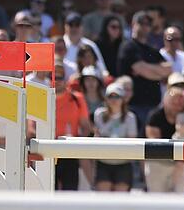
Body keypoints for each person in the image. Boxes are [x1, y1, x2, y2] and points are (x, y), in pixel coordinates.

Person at [118, 11, 172, 134]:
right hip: (133, 106)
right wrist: (157, 72)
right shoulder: (128, 47)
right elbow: (141, 69)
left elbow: (168, 69)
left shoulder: (151, 49)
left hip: (153, 105)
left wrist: (147, 70)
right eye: (141, 23)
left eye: (148, 24)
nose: (145, 26)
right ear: (133, 24)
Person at [52, 61, 91, 190]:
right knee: (48, 192)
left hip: (69, 149)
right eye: (53, 77)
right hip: (49, 150)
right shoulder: (43, 98)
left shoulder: (77, 98)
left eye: (60, 77)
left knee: (71, 191)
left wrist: (79, 141)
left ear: (65, 79)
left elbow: (85, 126)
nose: (56, 80)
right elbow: (32, 126)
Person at [93, 82, 137, 192]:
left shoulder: (130, 117)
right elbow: (97, 136)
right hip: (103, 162)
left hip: (123, 163)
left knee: (121, 201)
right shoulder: (99, 114)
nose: (114, 100)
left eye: (117, 96)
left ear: (123, 99)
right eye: (110, 96)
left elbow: (132, 141)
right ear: (106, 99)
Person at [145, 86, 184, 192]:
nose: (176, 106)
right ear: (165, 101)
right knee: (156, 199)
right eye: (173, 102)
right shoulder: (155, 116)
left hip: (179, 163)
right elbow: (155, 142)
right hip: (158, 163)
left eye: (179, 103)